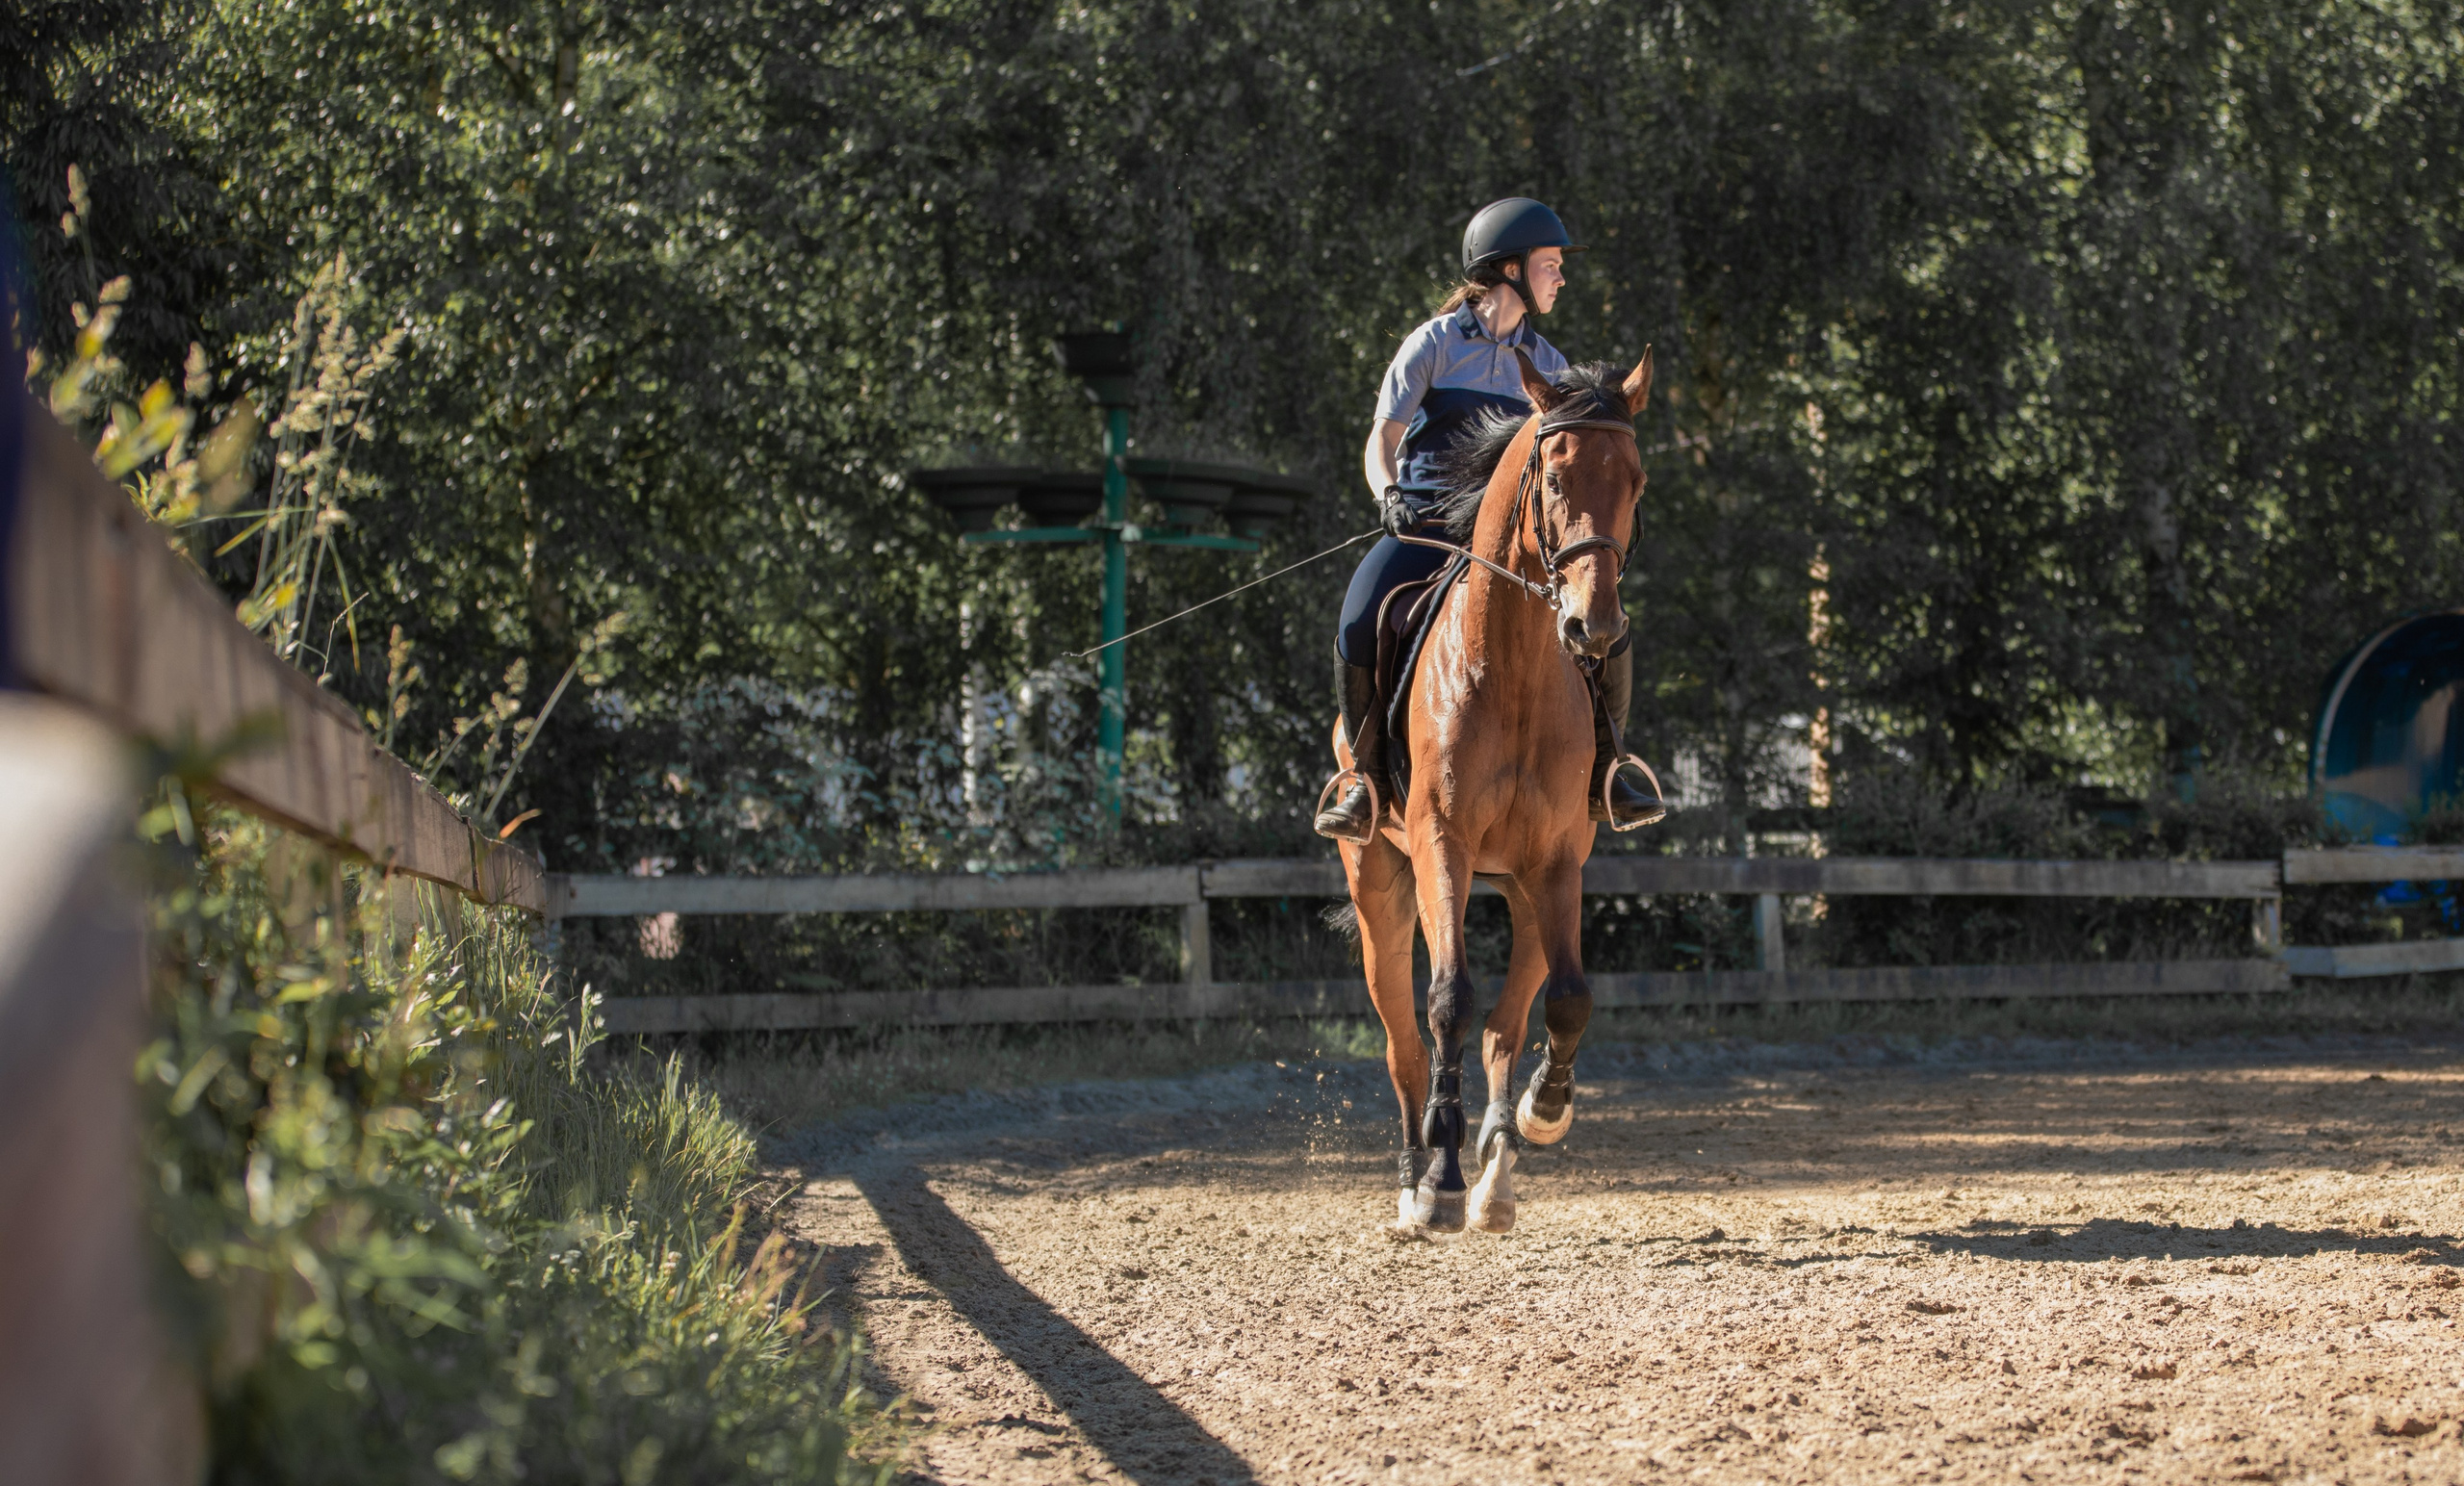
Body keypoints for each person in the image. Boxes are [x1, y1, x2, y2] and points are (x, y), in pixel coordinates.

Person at [1314, 196, 1654, 840]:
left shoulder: (1550, 365)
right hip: (1423, 526)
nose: (1560, 277)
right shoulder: (1435, 344)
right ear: (1508, 270)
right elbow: (1380, 439)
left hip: (1505, 545)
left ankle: (1607, 773)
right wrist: (1388, 494)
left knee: (1609, 624)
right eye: (1550, 265)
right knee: (1359, 616)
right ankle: (1364, 779)